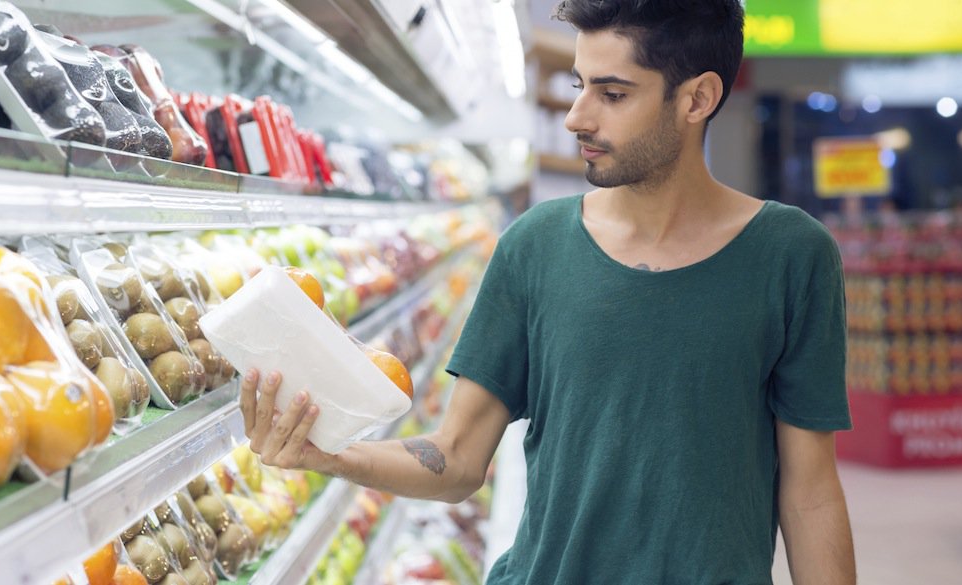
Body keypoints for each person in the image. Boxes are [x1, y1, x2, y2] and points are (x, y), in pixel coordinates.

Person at [239, 0, 857, 583]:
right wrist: (333, 455)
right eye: (578, 85)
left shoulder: (791, 256)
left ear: (698, 98)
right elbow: (456, 459)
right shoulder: (534, 247)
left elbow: (809, 493)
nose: (576, 117)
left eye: (612, 93)